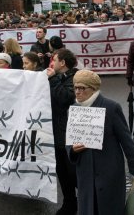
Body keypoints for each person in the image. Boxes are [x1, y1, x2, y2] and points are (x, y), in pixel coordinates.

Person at [67, 70, 134, 215]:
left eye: (82, 88)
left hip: (109, 174)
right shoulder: (74, 110)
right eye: (75, 87)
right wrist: (72, 150)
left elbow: (126, 141)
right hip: (85, 174)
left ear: (93, 89)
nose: (77, 92)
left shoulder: (111, 107)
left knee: (108, 209)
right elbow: (69, 142)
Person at [46, 48, 78, 215]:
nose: (52, 63)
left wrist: (52, 80)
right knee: (62, 172)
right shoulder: (59, 77)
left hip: (69, 133)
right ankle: (70, 202)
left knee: (72, 172)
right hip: (57, 131)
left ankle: (87, 200)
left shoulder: (76, 77)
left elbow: (65, 98)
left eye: (55, 60)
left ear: (63, 63)